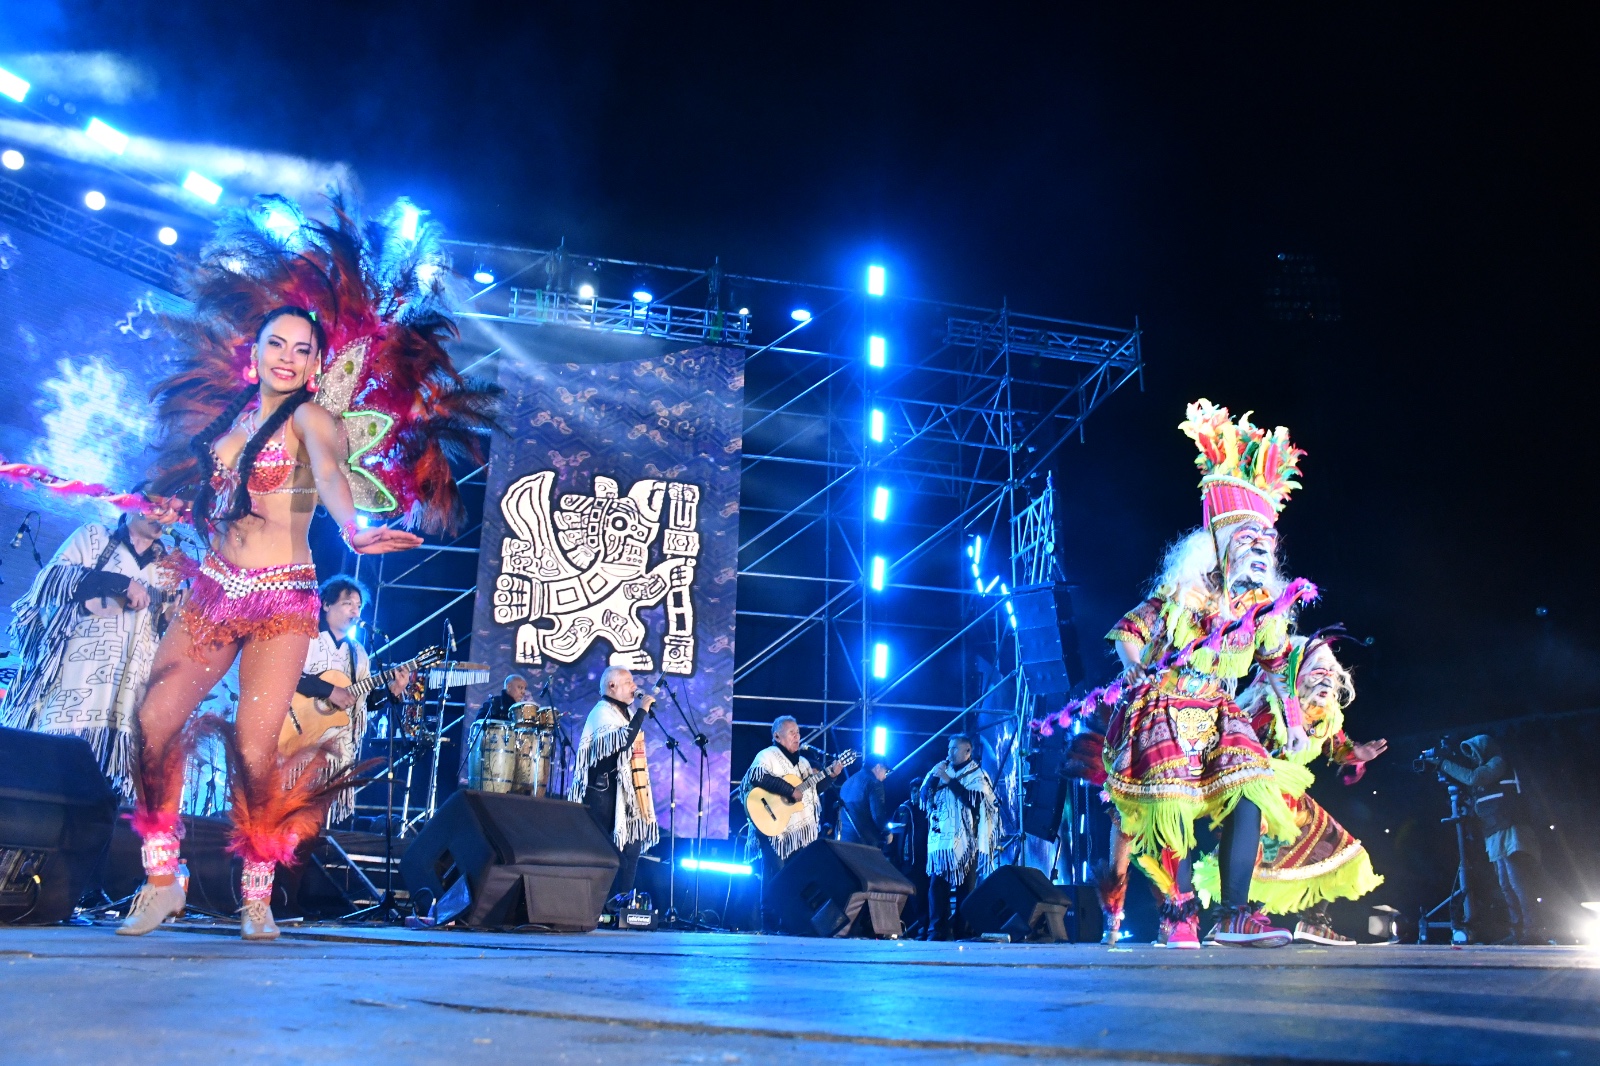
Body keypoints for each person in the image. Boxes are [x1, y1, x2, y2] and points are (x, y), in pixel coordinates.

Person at [119, 306, 423, 941]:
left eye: (302, 349)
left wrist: (353, 530)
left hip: (281, 600)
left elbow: (335, 477)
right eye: (275, 343)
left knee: (257, 748)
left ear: (315, 364)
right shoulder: (232, 417)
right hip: (213, 588)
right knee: (153, 718)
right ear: (252, 351)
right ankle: (160, 880)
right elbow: (222, 498)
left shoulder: (313, 420)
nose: (287, 356)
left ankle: (257, 896)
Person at [1102, 399, 1311, 949]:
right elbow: (1128, 630)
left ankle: (1236, 913)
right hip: (1166, 704)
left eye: (1267, 544)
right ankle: (1179, 911)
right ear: (1217, 546)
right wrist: (1135, 669)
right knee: (1172, 804)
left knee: (1252, 785)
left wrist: (1290, 715)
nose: (1261, 552)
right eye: (1248, 541)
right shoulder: (1182, 596)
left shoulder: (1263, 609)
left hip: (1219, 709)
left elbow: (1273, 663)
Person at [1194, 636, 1386, 944]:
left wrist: (1356, 753)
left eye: (1330, 673)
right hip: (1255, 786)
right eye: (1317, 670)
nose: (1325, 678)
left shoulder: (1326, 714)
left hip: (1291, 797)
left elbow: (1335, 746)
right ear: (1296, 674)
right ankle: (1232, 918)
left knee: (1340, 850)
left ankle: (1313, 922)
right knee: (1253, 850)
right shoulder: (1267, 706)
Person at [1, 490, 185, 800]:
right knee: (47, 790)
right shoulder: (93, 536)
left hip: (127, 702)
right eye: (160, 507)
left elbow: (161, 636)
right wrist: (119, 583)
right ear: (134, 505)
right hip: (73, 691)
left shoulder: (169, 569)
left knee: (101, 805)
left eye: (174, 513)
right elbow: (51, 580)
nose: (165, 518)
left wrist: (175, 615)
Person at [291, 576, 412, 825]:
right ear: (326, 604)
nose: (355, 611)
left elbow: (361, 704)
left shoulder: (359, 654)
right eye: (348, 603)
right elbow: (286, 675)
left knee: (317, 824)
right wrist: (328, 690)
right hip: (296, 736)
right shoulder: (304, 637)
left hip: (335, 749)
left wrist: (392, 691)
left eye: (358, 606)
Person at [741, 716, 843, 933]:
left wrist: (831, 776)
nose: (797, 736)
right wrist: (788, 790)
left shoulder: (804, 764)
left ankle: (789, 924)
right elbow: (757, 775)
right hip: (772, 827)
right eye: (791, 733)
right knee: (775, 875)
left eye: (798, 732)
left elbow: (810, 791)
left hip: (797, 832)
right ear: (777, 736)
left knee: (795, 877)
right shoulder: (767, 755)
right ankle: (769, 923)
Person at [1440, 735, 1546, 943]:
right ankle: (1518, 931)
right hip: (1495, 832)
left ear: (1484, 749)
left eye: (1474, 751)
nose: (1472, 756)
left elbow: (1473, 777)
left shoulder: (1497, 763)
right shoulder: (1483, 776)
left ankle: (1533, 931)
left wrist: (1444, 764)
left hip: (1512, 829)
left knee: (1519, 883)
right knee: (1505, 885)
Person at [568, 666, 659, 902]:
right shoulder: (602, 712)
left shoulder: (622, 713)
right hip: (601, 791)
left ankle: (621, 900)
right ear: (612, 686)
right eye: (628, 682)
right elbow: (621, 740)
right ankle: (595, 903)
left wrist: (637, 715)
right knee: (603, 851)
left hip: (623, 793)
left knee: (632, 846)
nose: (634, 686)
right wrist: (641, 713)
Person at [917, 735, 1000, 940]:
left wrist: (948, 780)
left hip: (966, 841)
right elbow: (923, 796)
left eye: (955, 748)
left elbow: (974, 800)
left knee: (965, 888)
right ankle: (936, 931)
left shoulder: (977, 775)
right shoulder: (940, 770)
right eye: (949, 747)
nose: (950, 752)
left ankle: (962, 930)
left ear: (967, 751)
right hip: (941, 841)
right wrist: (933, 779)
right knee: (937, 886)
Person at [838, 760, 894, 849]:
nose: (885, 776)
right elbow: (878, 814)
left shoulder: (847, 782)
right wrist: (887, 833)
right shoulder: (874, 783)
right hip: (864, 843)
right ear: (878, 767)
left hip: (844, 840)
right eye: (885, 771)